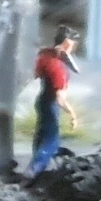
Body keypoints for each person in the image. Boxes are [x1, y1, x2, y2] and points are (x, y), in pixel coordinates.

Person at [29, 28, 81, 175]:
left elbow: (36, 73)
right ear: (67, 44)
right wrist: (72, 114)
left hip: (42, 100)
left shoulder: (44, 55)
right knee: (51, 140)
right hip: (51, 103)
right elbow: (60, 98)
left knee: (41, 135)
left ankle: (37, 165)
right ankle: (33, 171)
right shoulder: (58, 67)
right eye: (71, 45)